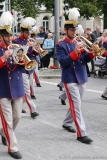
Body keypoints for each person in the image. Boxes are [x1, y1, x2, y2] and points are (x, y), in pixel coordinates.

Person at [0, 11, 25, 159]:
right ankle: (13, 147)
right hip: (2, 89)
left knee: (18, 117)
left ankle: (3, 132)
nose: (10, 38)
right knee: (8, 120)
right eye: (7, 36)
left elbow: (27, 68)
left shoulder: (18, 47)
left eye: (11, 36)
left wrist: (22, 61)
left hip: (17, 88)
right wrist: (3, 57)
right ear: (0, 36)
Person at [56, 8, 95, 144]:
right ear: (66, 30)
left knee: (75, 104)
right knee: (77, 105)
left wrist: (92, 53)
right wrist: (75, 53)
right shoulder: (60, 45)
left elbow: (85, 59)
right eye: (71, 30)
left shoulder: (79, 42)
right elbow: (63, 62)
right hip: (69, 78)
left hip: (82, 77)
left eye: (75, 30)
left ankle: (67, 123)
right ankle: (81, 133)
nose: (74, 32)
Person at [12, 18, 39, 118]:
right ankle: (33, 110)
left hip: (30, 68)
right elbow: (19, 54)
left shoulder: (29, 40)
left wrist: (35, 48)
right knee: (27, 91)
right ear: (22, 32)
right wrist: (27, 46)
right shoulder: (16, 41)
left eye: (29, 33)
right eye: (27, 33)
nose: (28, 35)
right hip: (21, 69)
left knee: (27, 89)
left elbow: (33, 54)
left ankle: (17, 106)